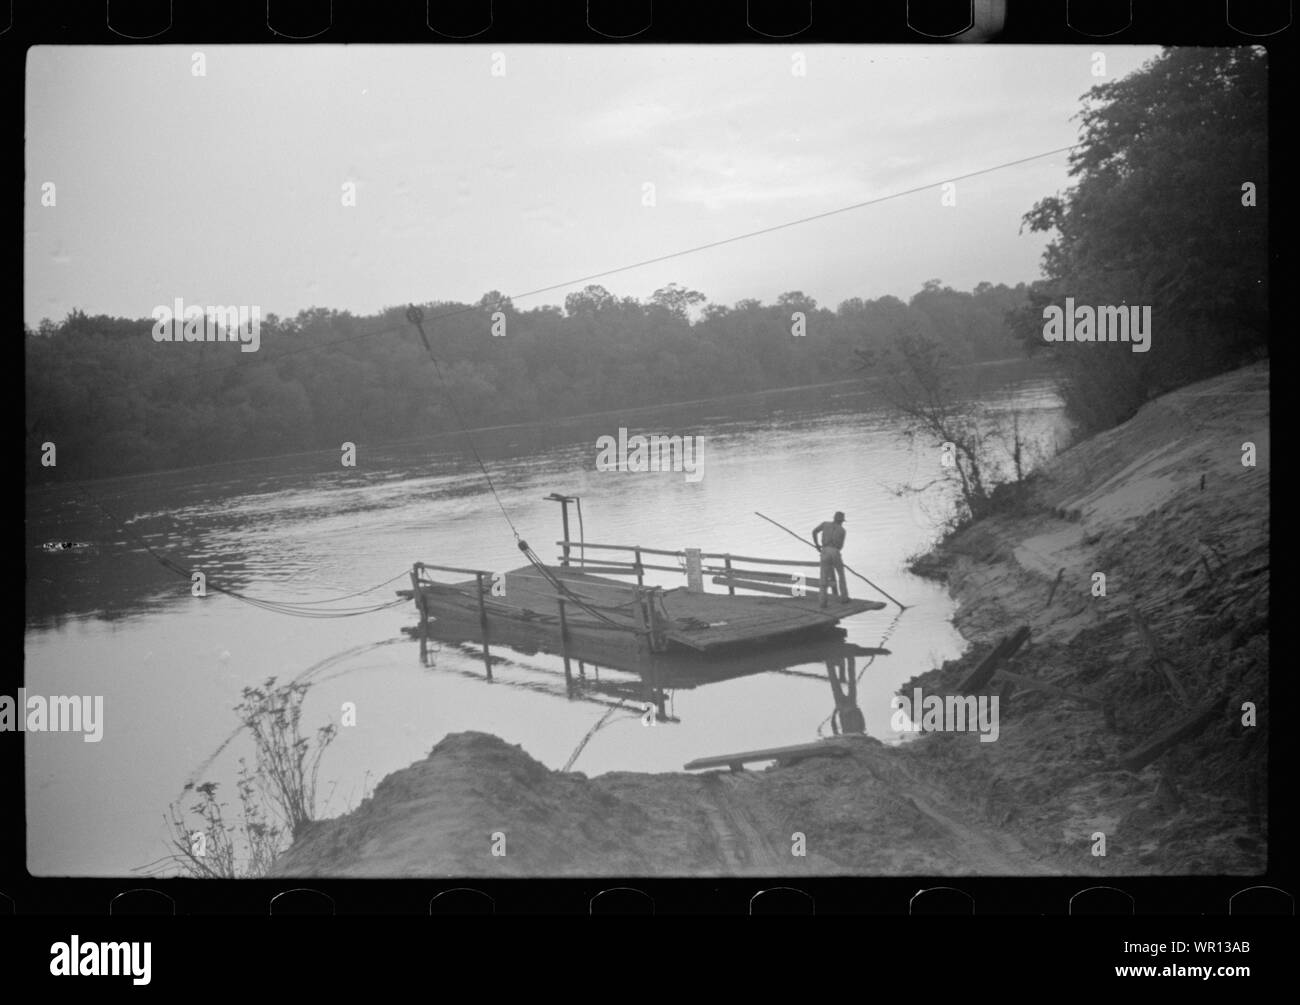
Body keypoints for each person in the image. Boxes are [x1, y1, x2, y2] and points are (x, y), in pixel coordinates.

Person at [812, 511, 849, 608]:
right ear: (841, 521)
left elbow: (814, 531)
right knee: (841, 574)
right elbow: (840, 546)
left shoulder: (825, 524)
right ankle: (844, 598)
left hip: (824, 551)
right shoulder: (842, 530)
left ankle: (822, 602)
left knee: (823, 577)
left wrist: (817, 545)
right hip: (835, 551)